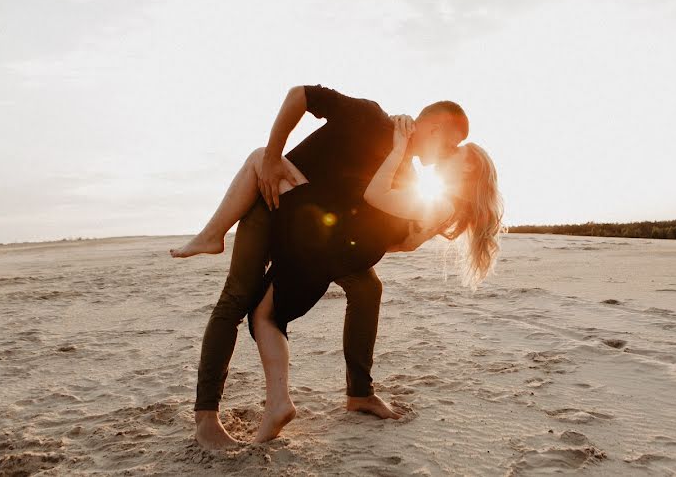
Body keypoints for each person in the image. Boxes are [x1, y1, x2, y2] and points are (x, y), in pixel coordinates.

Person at [171, 85, 476, 449]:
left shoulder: (406, 174)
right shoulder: (370, 118)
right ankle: (206, 419)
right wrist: (271, 157)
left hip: (315, 238)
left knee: (367, 288)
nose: (445, 156)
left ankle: (359, 393)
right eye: (450, 144)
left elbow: (385, 230)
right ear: (436, 128)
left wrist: (417, 234)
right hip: (269, 209)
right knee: (237, 299)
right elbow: (299, 95)